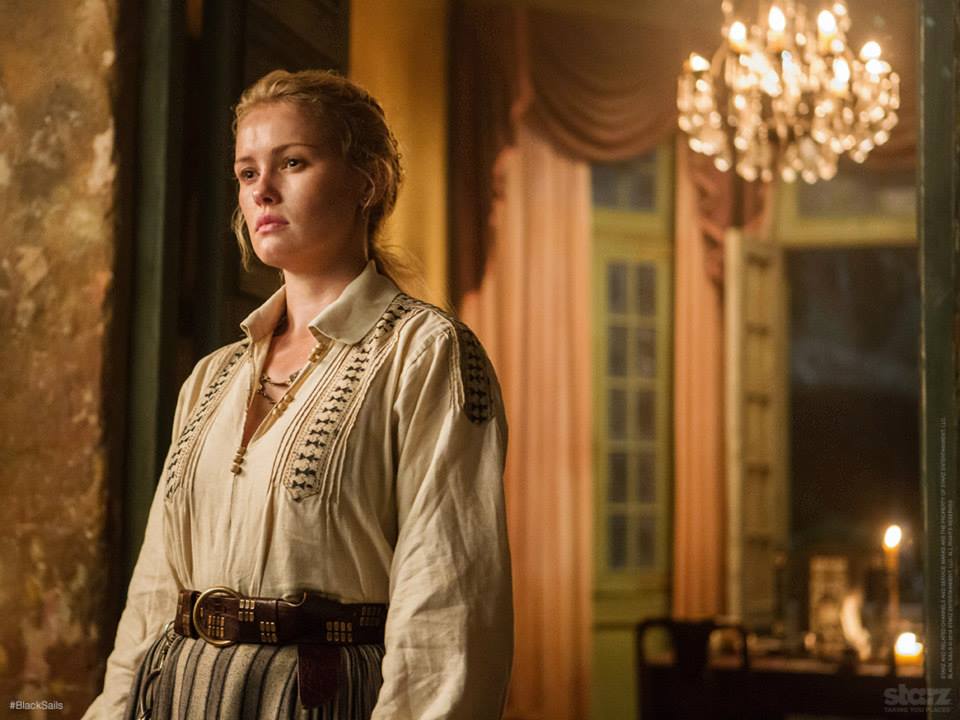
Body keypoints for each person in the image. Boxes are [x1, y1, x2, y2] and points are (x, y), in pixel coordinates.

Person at [82, 68, 513, 720]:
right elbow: (154, 591)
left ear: (368, 182)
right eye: (247, 172)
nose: (262, 190)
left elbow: (450, 598)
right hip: (177, 696)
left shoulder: (427, 354)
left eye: (292, 162)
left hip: (322, 698)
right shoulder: (213, 376)